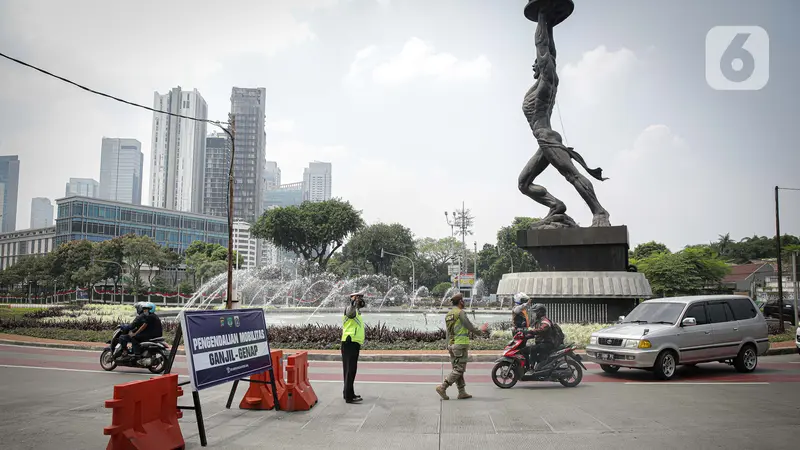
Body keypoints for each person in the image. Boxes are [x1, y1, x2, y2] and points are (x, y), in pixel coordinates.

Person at [517, 8, 611, 227]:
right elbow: (549, 51)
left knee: (573, 175)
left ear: (543, 65)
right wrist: (549, 25)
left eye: (537, 62)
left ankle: (600, 213)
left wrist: (541, 16)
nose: (534, 64)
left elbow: (543, 48)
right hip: (543, 141)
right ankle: (556, 205)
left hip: (547, 137)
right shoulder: (539, 85)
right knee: (524, 183)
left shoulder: (546, 82)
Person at [436, 293, 487, 400]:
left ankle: (462, 392)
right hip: (460, 345)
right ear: (460, 302)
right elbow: (469, 326)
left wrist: (448, 345)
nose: (464, 302)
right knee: (459, 369)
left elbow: (448, 333)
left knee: (457, 369)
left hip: (451, 345)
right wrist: (481, 332)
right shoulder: (460, 313)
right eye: (463, 301)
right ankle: (443, 387)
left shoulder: (449, 314)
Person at [341, 290, 366, 404]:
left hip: (353, 342)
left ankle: (348, 393)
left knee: (350, 370)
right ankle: (349, 396)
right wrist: (352, 302)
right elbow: (350, 313)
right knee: (350, 370)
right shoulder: (350, 309)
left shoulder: (357, 311)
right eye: (358, 298)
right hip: (349, 341)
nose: (360, 300)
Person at [524, 303, 555, 375]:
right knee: (524, 350)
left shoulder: (545, 321)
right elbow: (536, 333)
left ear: (540, 312)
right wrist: (525, 335)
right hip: (542, 342)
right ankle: (528, 367)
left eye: (535, 312)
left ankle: (531, 369)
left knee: (533, 349)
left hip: (548, 343)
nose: (533, 314)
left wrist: (531, 331)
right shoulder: (538, 321)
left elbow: (541, 330)